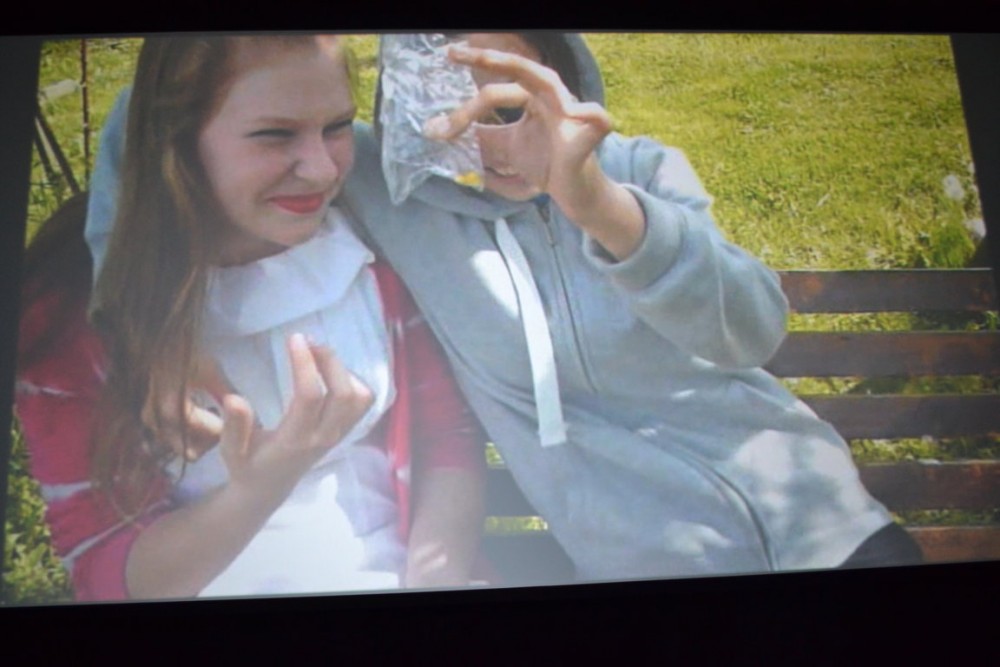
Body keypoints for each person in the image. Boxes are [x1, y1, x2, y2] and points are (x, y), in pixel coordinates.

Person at [85, 33, 923, 584]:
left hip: (830, 530)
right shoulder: (394, 192)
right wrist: (140, 320)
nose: (491, 143)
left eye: (511, 107)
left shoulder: (640, 171)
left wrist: (600, 207)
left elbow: (755, 329)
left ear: (563, 81)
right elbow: (159, 110)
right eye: (447, 109)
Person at [15, 34, 486, 602]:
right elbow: (107, 570)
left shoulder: (370, 251)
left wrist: (435, 582)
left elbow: (444, 439)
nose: (321, 169)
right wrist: (259, 487)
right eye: (274, 134)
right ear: (178, 138)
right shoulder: (75, 316)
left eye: (337, 126)